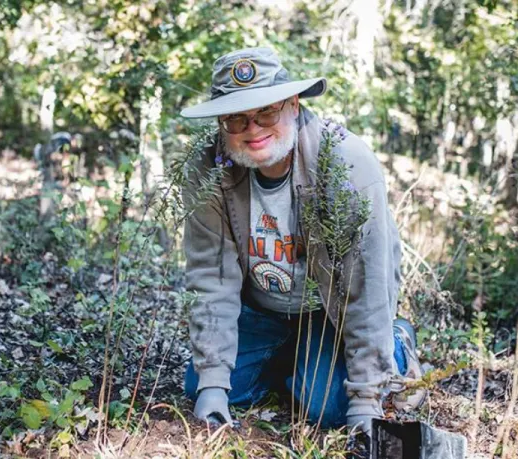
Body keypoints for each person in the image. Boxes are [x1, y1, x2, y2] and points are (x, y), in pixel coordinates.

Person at [179, 47, 425, 445]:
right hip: (260, 309)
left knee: (328, 409)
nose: (252, 128)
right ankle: (294, 361)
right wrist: (212, 382)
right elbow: (213, 276)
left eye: (266, 112)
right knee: (205, 388)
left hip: (326, 311)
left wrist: (366, 400)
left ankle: (395, 344)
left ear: (293, 104)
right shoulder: (209, 169)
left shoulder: (346, 164)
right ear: (221, 123)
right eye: (236, 117)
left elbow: (369, 286)